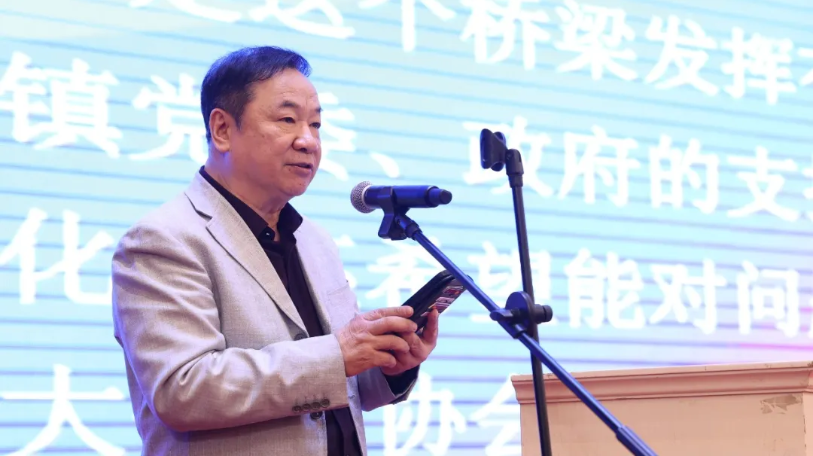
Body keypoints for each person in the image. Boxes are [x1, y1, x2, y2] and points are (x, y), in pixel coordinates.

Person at [111, 46, 440, 456]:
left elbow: (335, 389)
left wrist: (390, 365)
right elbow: (182, 390)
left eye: (316, 124)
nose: (308, 141)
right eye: (287, 120)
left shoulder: (316, 241)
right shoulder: (163, 240)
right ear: (222, 129)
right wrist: (338, 354)